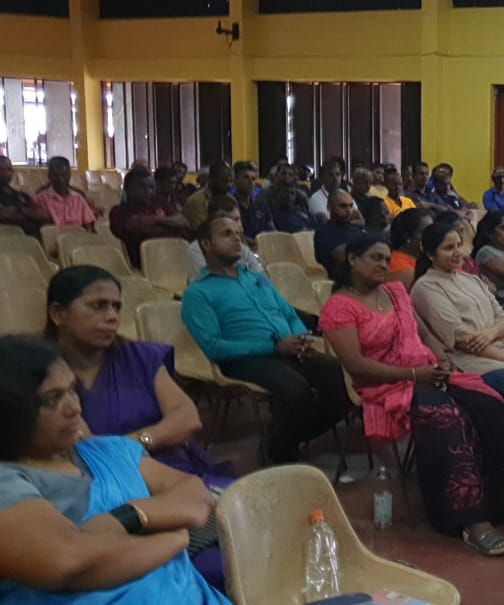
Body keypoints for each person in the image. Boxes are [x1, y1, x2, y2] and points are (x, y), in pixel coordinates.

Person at [320, 238, 504, 553]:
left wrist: (440, 357)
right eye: (375, 258)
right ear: (351, 259)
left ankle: (503, 502)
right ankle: (470, 520)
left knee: (491, 405)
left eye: (387, 259)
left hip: (427, 372)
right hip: (382, 383)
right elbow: (356, 365)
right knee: (446, 418)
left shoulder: (395, 292)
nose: (383, 265)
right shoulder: (339, 307)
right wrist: (415, 375)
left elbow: (423, 334)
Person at [0, 336, 230, 604]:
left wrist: (128, 516)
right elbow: (70, 562)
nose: (75, 408)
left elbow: (193, 492)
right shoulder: (8, 480)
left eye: (72, 390)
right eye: (53, 399)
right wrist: (174, 537)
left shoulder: (107, 450)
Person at [45, 267, 232, 587]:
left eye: (116, 306)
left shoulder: (140, 357)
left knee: (258, 527)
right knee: (218, 564)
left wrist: (127, 446)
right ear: (58, 314)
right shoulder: (46, 376)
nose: (111, 316)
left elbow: (187, 418)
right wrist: (146, 443)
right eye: (97, 305)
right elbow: (78, 446)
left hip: (179, 475)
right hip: (107, 494)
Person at [181, 214, 351, 464]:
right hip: (245, 358)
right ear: (205, 245)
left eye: (238, 234)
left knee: (338, 378)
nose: (237, 239)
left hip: (286, 348)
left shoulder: (256, 279)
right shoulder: (198, 293)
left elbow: (289, 313)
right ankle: (282, 453)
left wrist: (299, 337)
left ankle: (280, 441)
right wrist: (273, 346)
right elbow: (213, 346)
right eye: (227, 234)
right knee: (296, 390)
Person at [413, 222, 504, 406]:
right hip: (474, 364)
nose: (458, 253)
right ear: (430, 254)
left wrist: (490, 334)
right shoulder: (426, 287)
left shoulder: (471, 280)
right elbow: (463, 340)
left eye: (459, 246)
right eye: (449, 248)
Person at [109, 168, 188, 268]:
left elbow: (183, 221)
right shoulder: (119, 212)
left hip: (173, 259)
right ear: (127, 188)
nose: (148, 191)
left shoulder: (159, 202)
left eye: (151, 187)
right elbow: (140, 227)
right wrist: (170, 225)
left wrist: (155, 220)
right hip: (141, 265)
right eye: (142, 187)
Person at [185, 196, 263, 281]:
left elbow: (260, 280)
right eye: (232, 221)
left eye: (238, 219)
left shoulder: (241, 248)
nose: (239, 226)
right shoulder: (196, 251)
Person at [314, 191, 369, 278]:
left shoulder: (355, 228)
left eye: (351, 206)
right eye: (343, 206)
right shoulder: (323, 232)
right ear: (329, 207)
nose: (348, 211)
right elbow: (341, 256)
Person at [32, 157, 96, 228]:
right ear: (49, 176)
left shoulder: (78, 199)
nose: (60, 179)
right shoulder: (40, 200)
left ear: (69, 176)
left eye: (63, 175)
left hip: (77, 237)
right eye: (56, 176)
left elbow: (88, 226)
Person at [263, 163, 316, 233]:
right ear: (276, 176)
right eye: (283, 174)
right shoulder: (265, 194)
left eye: (290, 175)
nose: (286, 177)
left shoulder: (301, 196)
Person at [388, 208, 432, 291]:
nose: (433, 235)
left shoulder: (423, 259)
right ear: (408, 237)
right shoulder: (398, 265)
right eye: (426, 232)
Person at [230, 162, 272, 247]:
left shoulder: (262, 205)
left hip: (263, 248)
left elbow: (272, 230)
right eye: (245, 178)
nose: (250, 182)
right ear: (235, 180)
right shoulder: (229, 206)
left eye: (253, 179)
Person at [0, 155, 43, 235]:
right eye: (1, 169)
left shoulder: (22, 196)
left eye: (8, 169)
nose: (5, 173)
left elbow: (36, 213)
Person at [183, 161, 233, 228]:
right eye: (224, 181)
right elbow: (200, 232)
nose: (229, 185)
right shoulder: (197, 201)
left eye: (231, 181)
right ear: (211, 179)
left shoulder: (231, 199)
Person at [308, 157, 344, 222]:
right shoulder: (315, 199)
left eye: (338, 174)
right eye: (330, 175)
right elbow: (327, 224)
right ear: (322, 178)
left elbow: (360, 220)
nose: (335, 178)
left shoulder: (345, 195)